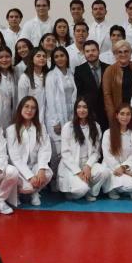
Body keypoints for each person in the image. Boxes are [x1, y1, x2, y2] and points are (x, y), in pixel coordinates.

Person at [58, 97, 109, 201]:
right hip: (71, 166)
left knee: (105, 172)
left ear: (89, 109)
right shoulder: (68, 127)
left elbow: (96, 152)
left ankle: (90, 191)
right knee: (81, 189)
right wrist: (78, 171)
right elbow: (65, 154)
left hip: (87, 163)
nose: (81, 110)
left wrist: (88, 166)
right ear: (75, 109)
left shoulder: (96, 126)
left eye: (85, 107)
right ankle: (78, 191)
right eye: (79, 107)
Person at [6, 96, 53, 206]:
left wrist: (41, 170)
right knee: (26, 186)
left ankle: (35, 192)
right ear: (20, 108)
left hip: (34, 166)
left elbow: (44, 150)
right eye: (26, 106)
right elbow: (15, 158)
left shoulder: (41, 127)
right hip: (19, 170)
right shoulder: (11, 130)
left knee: (48, 173)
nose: (29, 110)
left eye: (33, 108)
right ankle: (16, 192)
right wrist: (30, 176)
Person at [45, 46, 77, 186]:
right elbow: (50, 99)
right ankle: (53, 182)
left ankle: (65, 180)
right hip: (56, 115)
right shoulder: (51, 75)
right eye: (56, 56)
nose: (59, 58)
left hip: (70, 115)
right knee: (57, 152)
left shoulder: (71, 72)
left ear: (67, 57)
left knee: (68, 148)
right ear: (53, 59)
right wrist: (55, 121)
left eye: (62, 55)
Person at [101, 103, 132, 200]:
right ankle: (112, 189)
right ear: (116, 115)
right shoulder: (108, 133)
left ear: (131, 116)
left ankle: (123, 186)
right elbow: (107, 156)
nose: (125, 117)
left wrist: (123, 167)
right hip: (112, 168)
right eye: (122, 114)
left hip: (125, 167)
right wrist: (117, 167)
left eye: (128, 114)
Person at [102, 40, 132, 128]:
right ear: (115, 54)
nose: (123, 54)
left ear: (130, 53)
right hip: (118, 114)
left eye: (126, 51)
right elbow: (107, 95)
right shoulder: (109, 70)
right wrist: (113, 116)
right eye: (120, 52)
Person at [74, 40, 109, 131]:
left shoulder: (108, 68)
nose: (91, 53)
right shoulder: (79, 70)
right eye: (87, 51)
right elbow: (79, 94)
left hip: (106, 113)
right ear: (84, 53)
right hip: (89, 114)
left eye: (93, 50)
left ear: (98, 51)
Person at [17, 47, 48, 124]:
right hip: (31, 115)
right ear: (32, 58)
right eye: (38, 56)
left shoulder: (48, 75)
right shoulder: (25, 77)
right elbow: (22, 101)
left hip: (47, 115)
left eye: (44, 56)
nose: (42, 58)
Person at [0, 45, 17, 114]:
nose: (4, 60)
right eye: (0, 57)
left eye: (7, 57)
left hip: (13, 114)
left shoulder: (15, 73)